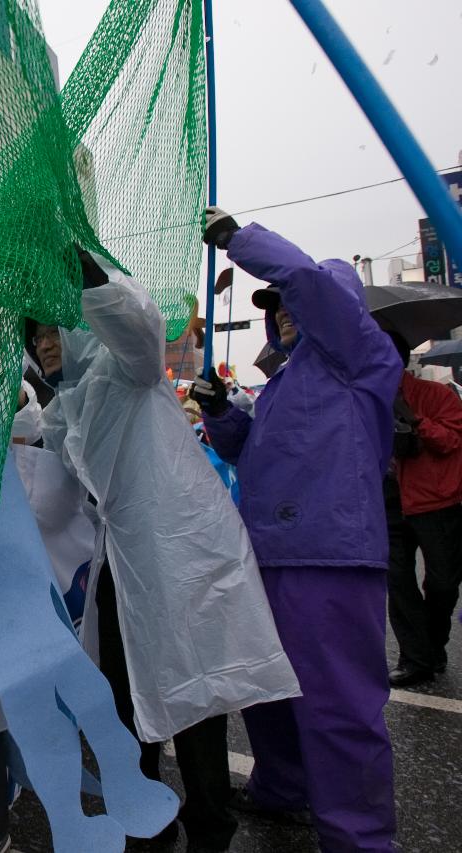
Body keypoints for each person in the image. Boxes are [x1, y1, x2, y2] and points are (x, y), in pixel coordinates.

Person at [36, 246, 298, 853]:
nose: (46, 345)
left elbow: (135, 326)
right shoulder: (63, 409)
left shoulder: (126, 370)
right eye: (36, 337)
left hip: (178, 564)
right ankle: (145, 819)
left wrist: (79, 261)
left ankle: (210, 828)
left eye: (54, 331)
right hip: (123, 573)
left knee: (195, 699)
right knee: (126, 700)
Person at [193, 207, 401, 853]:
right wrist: (223, 413)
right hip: (270, 552)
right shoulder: (284, 380)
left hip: (329, 556)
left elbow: (309, 282)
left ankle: (360, 837)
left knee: (337, 706)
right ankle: (282, 787)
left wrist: (240, 239)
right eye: (273, 306)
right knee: (267, 687)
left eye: (290, 302)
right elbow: (250, 454)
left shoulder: (359, 354)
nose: (282, 310)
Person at [381, 331, 462, 687]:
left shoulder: (435, 394)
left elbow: (451, 440)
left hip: (436, 500)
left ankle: (433, 646)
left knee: (443, 583)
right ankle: (415, 660)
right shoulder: (366, 399)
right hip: (387, 500)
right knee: (398, 584)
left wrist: (414, 420)